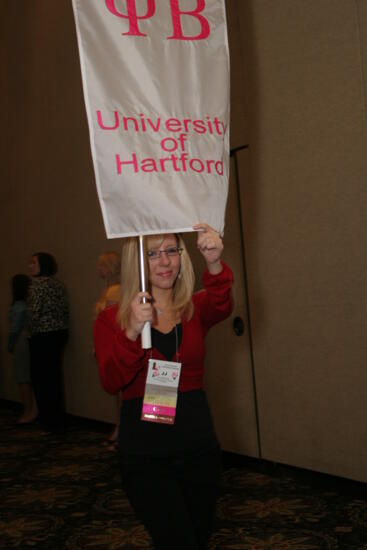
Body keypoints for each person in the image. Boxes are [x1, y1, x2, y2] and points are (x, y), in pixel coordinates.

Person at [94, 223, 234, 549]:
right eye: (152, 254)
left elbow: (222, 303)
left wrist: (213, 262)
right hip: (146, 454)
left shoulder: (194, 309)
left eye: (172, 251)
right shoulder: (111, 318)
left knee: (197, 539)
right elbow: (110, 381)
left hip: (198, 446)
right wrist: (130, 332)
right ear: (136, 263)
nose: (165, 262)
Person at [28, 252, 69, 434]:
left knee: (41, 378)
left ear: (42, 265)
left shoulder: (37, 286)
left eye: (33, 262)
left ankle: (47, 420)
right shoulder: (59, 285)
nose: (30, 266)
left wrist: (27, 331)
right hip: (59, 334)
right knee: (54, 376)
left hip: (42, 336)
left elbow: (34, 314)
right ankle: (57, 419)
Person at [94, 251, 121, 449]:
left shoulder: (115, 291)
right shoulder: (110, 289)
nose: (99, 269)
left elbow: (114, 324)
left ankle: (121, 432)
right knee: (119, 394)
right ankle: (119, 431)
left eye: (102, 265)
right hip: (110, 345)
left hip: (117, 347)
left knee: (123, 395)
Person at [7, 274, 37, 423]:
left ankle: (28, 410)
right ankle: (32, 409)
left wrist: (10, 344)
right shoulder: (27, 304)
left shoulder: (19, 306)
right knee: (27, 376)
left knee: (22, 377)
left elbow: (15, 328)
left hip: (20, 341)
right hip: (28, 339)